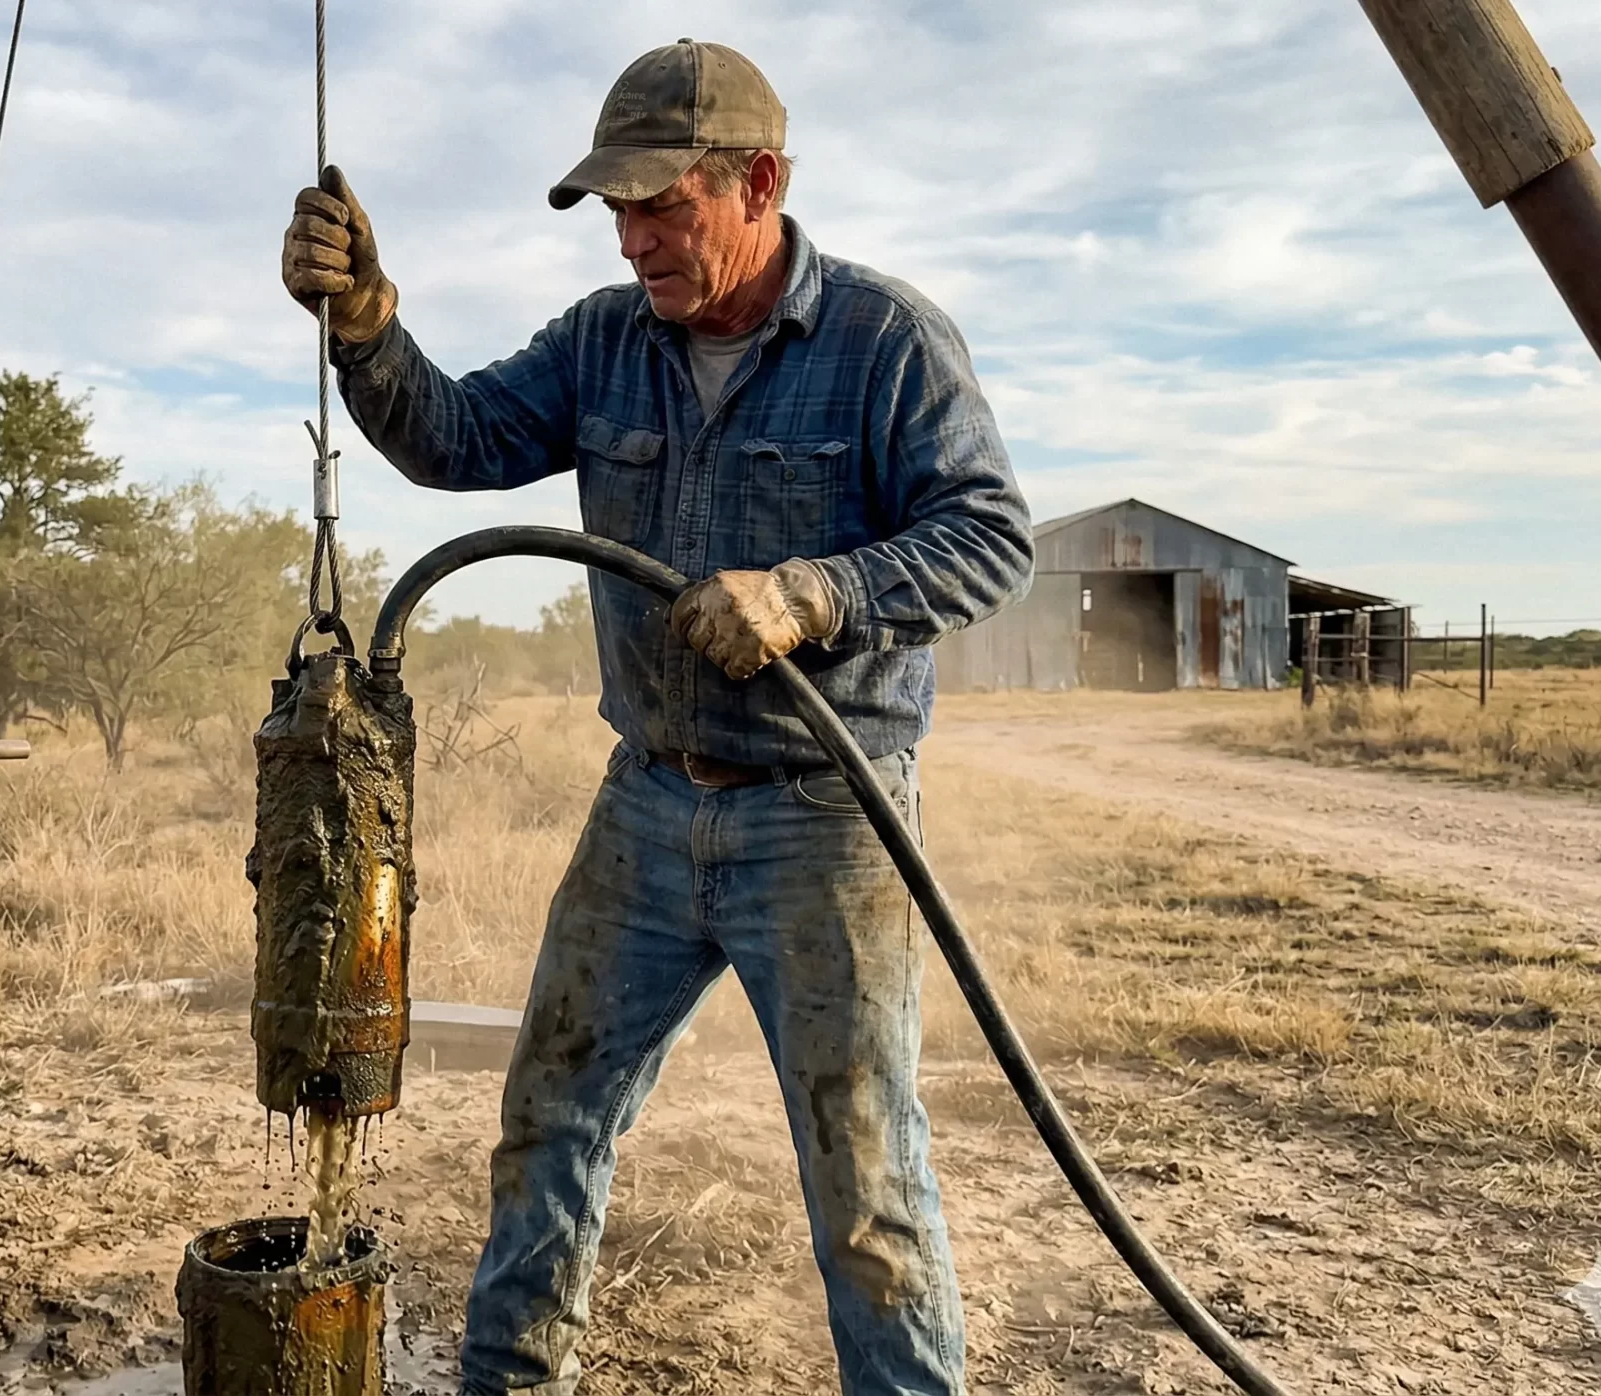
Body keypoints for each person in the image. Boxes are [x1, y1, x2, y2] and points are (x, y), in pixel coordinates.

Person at [281, 37, 1032, 1396]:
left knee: (862, 1176)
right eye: (618, 213)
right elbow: (456, 439)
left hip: (823, 813)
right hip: (648, 802)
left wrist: (811, 592)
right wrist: (369, 327)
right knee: (549, 1114)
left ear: (760, 183)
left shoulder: (883, 343)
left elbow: (988, 538)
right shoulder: (601, 344)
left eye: (662, 208)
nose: (635, 242)